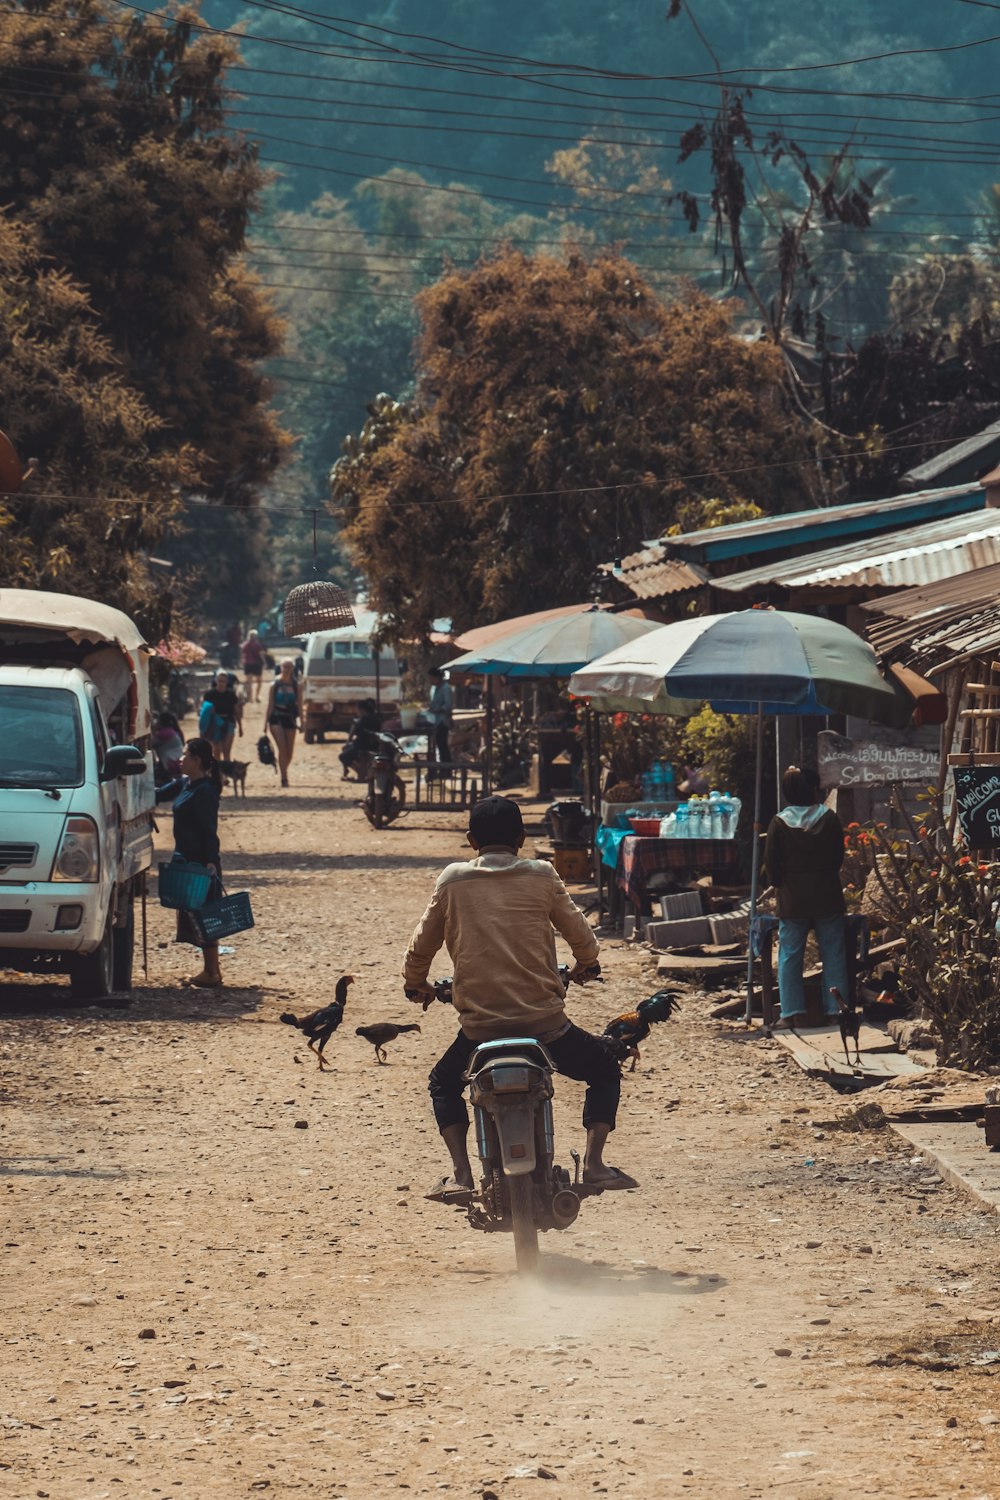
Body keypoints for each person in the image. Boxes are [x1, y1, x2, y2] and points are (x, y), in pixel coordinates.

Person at [403, 795, 635, 1201]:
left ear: (471, 841)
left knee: (443, 1084)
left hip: (479, 1031)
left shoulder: (453, 880)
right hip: (546, 1029)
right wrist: (584, 964)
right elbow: (583, 939)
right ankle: (596, 1165)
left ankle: (460, 1173)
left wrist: (416, 982)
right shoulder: (542, 875)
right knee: (603, 1070)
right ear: (522, 839)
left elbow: (420, 949)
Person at [763, 765, 849, 1027]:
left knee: (790, 956)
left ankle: (790, 1014)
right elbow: (837, 859)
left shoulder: (779, 823)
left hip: (792, 901)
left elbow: (772, 868)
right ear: (812, 790)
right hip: (828, 897)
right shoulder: (830, 819)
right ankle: (837, 1012)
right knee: (834, 954)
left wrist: (781, 884)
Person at [156, 737, 224, 988]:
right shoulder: (186, 784)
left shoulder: (205, 791)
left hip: (199, 861)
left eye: (185, 755)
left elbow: (209, 830)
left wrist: (210, 862)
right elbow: (158, 795)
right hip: (184, 857)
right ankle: (211, 970)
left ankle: (212, 972)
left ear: (196, 760)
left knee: (205, 914)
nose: (180, 759)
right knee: (193, 913)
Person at [266, 657, 303, 788]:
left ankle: (282, 768)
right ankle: (284, 778)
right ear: (280, 668)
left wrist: (302, 722)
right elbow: (270, 705)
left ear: (293, 668)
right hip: (276, 718)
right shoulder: (274, 684)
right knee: (282, 748)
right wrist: (265, 724)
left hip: (290, 718)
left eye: (289, 667)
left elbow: (299, 705)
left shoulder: (296, 685)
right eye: (284, 667)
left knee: (289, 752)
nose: (287, 670)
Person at [200, 669, 243, 760]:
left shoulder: (231, 695)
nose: (221, 683)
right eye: (219, 681)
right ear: (216, 681)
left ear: (227, 682)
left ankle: (226, 771)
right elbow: (204, 712)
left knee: (226, 751)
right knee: (216, 751)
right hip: (214, 724)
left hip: (229, 722)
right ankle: (217, 772)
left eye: (223, 681)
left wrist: (240, 726)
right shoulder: (209, 695)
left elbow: (236, 711)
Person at [339, 698, 382, 781]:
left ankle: (361, 772)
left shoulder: (363, 720)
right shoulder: (377, 718)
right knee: (347, 749)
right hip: (371, 744)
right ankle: (355, 771)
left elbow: (355, 733)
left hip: (363, 745)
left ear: (362, 710)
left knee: (343, 756)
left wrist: (354, 726)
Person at [426, 666, 453, 780]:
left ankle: (447, 770)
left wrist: (437, 710)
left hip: (443, 721)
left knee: (443, 746)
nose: (431, 681)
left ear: (437, 677)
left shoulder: (446, 688)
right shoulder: (435, 689)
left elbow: (448, 706)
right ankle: (442, 769)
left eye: (432, 678)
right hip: (436, 721)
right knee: (438, 745)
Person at [152, 711, 184, 781]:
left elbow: (151, 743)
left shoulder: (165, 733)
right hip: (175, 764)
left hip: (171, 766)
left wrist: (153, 729)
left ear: (160, 723)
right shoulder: (170, 731)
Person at [241, 629, 265, 702]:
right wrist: (264, 662)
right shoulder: (257, 644)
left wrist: (242, 661)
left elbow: (242, 654)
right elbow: (261, 655)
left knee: (249, 682)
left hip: (248, 664)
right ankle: (257, 696)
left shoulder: (245, 644)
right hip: (256, 664)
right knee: (259, 681)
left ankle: (249, 698)